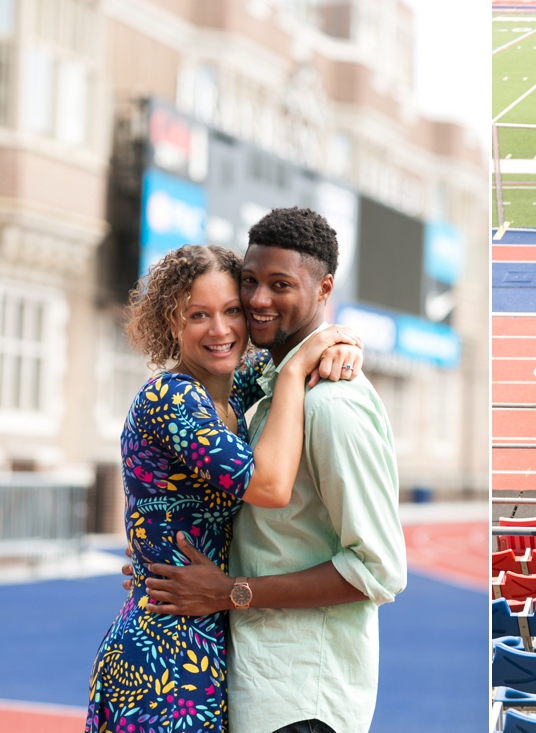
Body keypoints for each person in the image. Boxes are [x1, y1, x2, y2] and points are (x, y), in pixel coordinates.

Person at [130, 207, 408, 733]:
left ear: (323, 288)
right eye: (250, 284)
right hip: (242, 673)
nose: (258, 301)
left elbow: (379, 568)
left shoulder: (328, 405)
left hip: (301, 699)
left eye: (280, 284)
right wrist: (153, 545)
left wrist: (231, 590)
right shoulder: (269, 385)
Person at [85, 244, 363, 732]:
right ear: (171, 324)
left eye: (232, 310)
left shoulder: (235, 389)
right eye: (198, 315)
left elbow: (307, 346)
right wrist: (299, 370)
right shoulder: (171, 397)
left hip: (208, 642)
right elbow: (271, 485)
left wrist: (343, 344)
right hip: (161, 657)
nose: (220, 330)